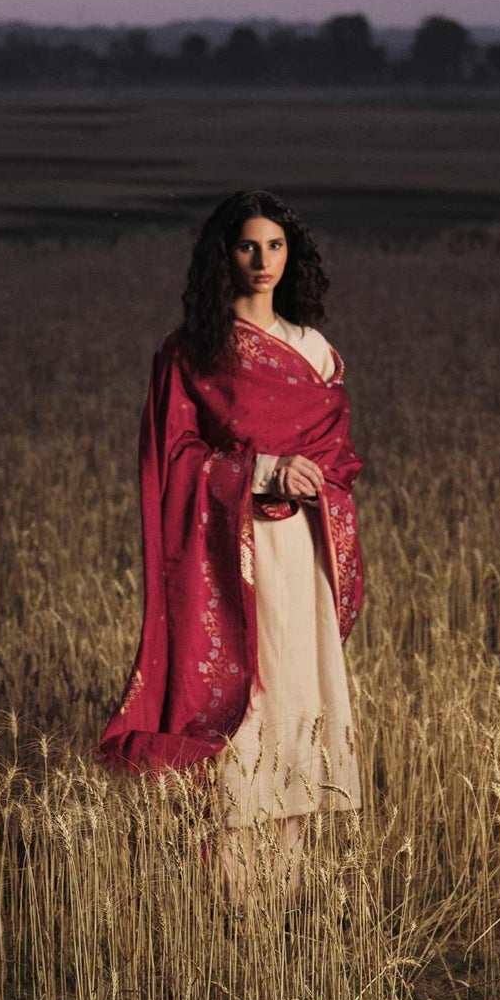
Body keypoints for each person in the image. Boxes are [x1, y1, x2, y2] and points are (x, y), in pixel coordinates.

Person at [94, 189, 366, 908]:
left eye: (275, 246)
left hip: (302, 553)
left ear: (292, 254)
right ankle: (233, 897)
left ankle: (289, 891)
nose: (262, 261)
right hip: (231, 562)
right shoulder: (193, 354)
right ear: (224, 255)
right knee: (248, 706)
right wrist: (263, 471)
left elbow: (340, 463)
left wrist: (316, 485)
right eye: (248, 246)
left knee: (299, 703)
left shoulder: (317, 353)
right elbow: (174, 460)